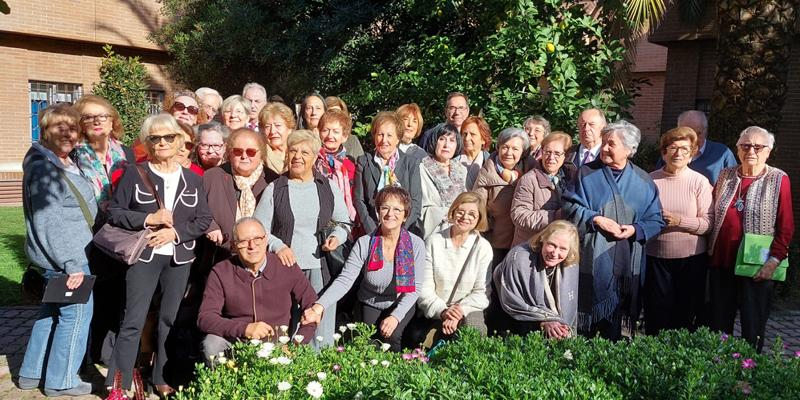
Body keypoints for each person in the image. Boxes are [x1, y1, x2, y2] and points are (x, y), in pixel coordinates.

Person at [104, 114, 212, 396]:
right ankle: (119, 385)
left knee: (169, 320)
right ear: (147, 143)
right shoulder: (134, 173)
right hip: (143, 257)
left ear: (180, 141)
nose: (162, 142)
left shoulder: (192, 179)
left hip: (179, 258)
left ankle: (161, 378)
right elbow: (114, 212)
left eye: (169, 137)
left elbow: (202, 220)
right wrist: (148, 219)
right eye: (155, 138)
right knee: (133, 320)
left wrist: (175, 233)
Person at [18, 104, 97, 397]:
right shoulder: (43, 169)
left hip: (60, 258)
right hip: (67, 258)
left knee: (50, 314)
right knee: (76, 316)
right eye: (59, 127)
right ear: (44, 130)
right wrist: (72, 262)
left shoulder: (59, 161)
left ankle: (30, 374)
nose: (67, 133)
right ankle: (61, 380)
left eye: (73, 128)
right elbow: (49, 221)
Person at [562, 120, 664, 340]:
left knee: (616, 322)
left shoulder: (644, 181)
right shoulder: (586, 174)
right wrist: (596, 218)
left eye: (611, 144)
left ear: (629, 150)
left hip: (627, 260)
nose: (605, 148)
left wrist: (635, 229)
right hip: (591, 256)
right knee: (588, 322)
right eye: (604, 143)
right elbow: (569, 205)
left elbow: (656, 219)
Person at [253, 130, 350, 347]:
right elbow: (258, 230)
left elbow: (345, 223)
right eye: (293, 151)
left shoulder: (326, 187)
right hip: (285, 267)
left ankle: (319, 374)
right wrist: (278, 246)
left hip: (319, 268)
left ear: (315, 156)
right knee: (286, 327)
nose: (297, 156)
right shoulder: (275, 189)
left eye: (304, 152)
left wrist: (336, 237)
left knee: (318, 328)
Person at [302, 187, 426, 351]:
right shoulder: (364, 243)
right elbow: (345, 280)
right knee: (367, 342)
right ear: (378, 212)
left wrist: (395, 317)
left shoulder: (416, 244)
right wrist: (318, 307)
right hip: (369, 301)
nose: (390, 214)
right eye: (385, 208)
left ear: (405, 215)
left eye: (397, 209)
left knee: (393, 336)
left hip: (400, 301)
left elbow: (414, 288)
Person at [707, 126, 794, 352]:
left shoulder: (778, 179)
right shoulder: (726, 175)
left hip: (756, 266)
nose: (751, 151)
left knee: (752, 325)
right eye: (745, 146)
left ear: (768, 151)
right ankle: (718, 370)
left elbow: (786, 226)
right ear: (737, 149)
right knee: (718, 323)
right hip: (721, 261)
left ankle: (749, 373)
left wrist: (773, 261)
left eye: (758, 146)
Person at [197, 217, 318, 360]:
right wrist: (245, 329)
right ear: (233, 246)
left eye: (257, 238)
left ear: (266, 240)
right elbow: (205, 318)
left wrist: (298, 344)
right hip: (237, 342)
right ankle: (226, 380)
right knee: (212, 344)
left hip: (278, 346)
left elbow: (312, 306)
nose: (252, 246)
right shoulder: (221, 271)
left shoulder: (286, 266)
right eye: (243, 241)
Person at [73, 95, 136, 364]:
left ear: (113, 122)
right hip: (88, 234)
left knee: (118, 294)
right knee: (91, 297)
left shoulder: (126, 154)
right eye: (89, 117)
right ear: (81, 124)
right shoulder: (73, 156)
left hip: (121, 234)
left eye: (103, 116)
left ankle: (109, 356)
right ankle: (85, 356)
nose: (97, 121)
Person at [644, 127, 713, 336]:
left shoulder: (699, 182)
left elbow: (709, 223)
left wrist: (679, 221)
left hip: (690, 259)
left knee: (684, 314)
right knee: (655, 314)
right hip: (655, 257)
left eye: (685, 148)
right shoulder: (649, 180)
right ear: (664, 152)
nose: (678, 153)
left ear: (692, 154)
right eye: (672, 148)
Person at [417, 192, 493, 338]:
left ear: (479, 218)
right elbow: (424, 288)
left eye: (472, 214)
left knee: (474, 330)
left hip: (468, 308)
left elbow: (482, 292)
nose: (465, 217)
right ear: (453, 212)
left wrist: (459, 311)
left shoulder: (483, 248)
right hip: (436, 308)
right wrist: (444, 312)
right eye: (461, 212)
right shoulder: (434, 241)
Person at [492, 221, 580, 339]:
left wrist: (559, 326)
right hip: (512, 320)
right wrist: (544, 320)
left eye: (563, 248)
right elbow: (512, 302)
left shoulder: (570, 265)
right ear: (542, 239)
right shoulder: (519, 258)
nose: (555, 253)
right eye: (551, 245)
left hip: (552, 322)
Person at [204, 128, 279, 259]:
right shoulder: (212, 177)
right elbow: (196, 209)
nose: (244, 156)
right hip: (219, 255)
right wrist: (210, 226)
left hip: (261, 256)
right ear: (230, 153)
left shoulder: (273, 181)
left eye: (251, 152)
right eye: (238, 151)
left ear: (261, 153)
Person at [354, 112, 422, 235]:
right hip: (371, 230)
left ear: (398, 138)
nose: (384, 140)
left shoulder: (411, 163)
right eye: (380, 134)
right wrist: (373, 231)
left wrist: (399, 232)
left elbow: (416, 202)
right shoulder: (364, 161)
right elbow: (359, 200)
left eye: (389, 135)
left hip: (404, 231)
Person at [473, 127, 530, 266]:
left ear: (523, 152)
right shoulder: (487, 173)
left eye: (515, 149)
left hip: (524, 242)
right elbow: (477, 208)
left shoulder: (531, 169)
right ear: (498, 148)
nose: (509, 153)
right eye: (505, 147)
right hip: (495, 243)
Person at [510, 132, 574, 246]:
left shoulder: (570, 178)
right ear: (542, 153)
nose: (551, 157)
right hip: (530, 247)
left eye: (557, 153)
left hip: (557, 247)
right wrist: (554, 216)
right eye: (547, 152)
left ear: (565, 156)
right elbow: (519, 215)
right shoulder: (529, 179)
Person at [655, 110, 738, 185]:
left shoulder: (722, 153)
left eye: (698, 133)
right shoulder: (670, 154)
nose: (694, 139)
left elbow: (733, 185)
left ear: (705, 131)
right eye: (688, 135)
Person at [419, 123, 467, 239]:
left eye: (452, 140)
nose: (446, 145)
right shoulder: (422, 168)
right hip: (434, 233)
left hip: (459, 231)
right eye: (442, 139)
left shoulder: (461, 170)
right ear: (435, 142)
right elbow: (422, 207)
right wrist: (450, 213)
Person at [315, 110, 358, 224]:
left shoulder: (351, 164)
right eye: (325, 130)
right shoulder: (313, 161)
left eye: (336, 131)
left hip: (347, 220)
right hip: (319, 219)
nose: (330, 136)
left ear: (344, 137)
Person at [259, 102, 296, 175]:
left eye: (278, 125)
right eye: (267, 126)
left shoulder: (298, 152)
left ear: (289, 128)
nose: (272, 131)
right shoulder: (259, 155)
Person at [457, 115, 492, 190]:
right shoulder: (452, 161)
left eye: (472, 134)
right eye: (465, 134)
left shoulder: (491, 163)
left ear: (483, 139)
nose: (467, 138)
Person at [324, 95, 364, 160]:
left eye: (338, 114)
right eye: (331, 113)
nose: (335, 117)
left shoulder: (352, 141)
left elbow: (361, 166)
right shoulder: (316, 140)